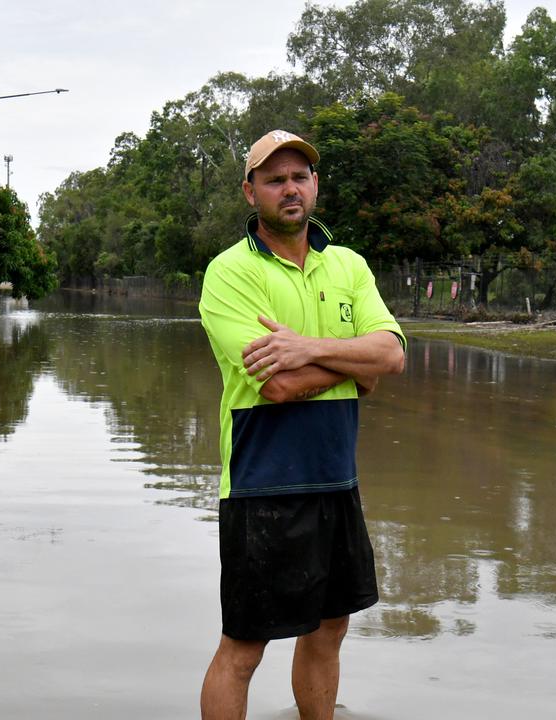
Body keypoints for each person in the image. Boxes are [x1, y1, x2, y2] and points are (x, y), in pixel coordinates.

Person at [197, 130, 407, 720]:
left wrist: (310, 349)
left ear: (314, 185)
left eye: (300, 176)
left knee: (329, 629)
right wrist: (354, 366)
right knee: (243, 646)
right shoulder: (230, 274)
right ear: (250, 191)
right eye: (274, 179)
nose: (290, 188)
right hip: (263, 483)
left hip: (336, 479)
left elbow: (391, 355)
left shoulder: (348, 265)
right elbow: (278, 385)